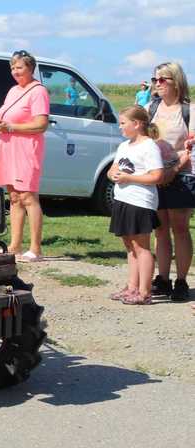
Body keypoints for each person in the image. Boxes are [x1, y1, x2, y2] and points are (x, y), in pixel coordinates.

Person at [0, 50, 50, 261]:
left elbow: (41, 124)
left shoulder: (38, 91)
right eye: (12, 67)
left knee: (28, 197)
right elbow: (8, 115)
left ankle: (35, 248)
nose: (15, 71)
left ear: (30, 68)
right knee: (14, 197)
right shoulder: (13, 90)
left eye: (19, 67)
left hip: (26, 148)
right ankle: (14, 246)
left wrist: (11, 127)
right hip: (8, 146)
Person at [147, 62, 195, 301]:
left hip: (182, 175)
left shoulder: (189, 110)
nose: (157, 84)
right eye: (155, 79)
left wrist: (174, 169)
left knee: (180, 228)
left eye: (162, 79)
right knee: (160, 229)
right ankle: (163, 279)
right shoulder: (151, 108)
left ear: (176, 81)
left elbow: (191, 148)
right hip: (156, 175)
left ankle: (182, 281)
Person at [107, 105, 164, 305]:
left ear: (137, 124)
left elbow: (157, 176)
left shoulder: (149, 146)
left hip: (140, 202)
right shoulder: (124, 146)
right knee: (130, 246)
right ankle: (132, 287)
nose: (120, 127)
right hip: (123, 199)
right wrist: (113, 174)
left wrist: (129, 177)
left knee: (141, 247)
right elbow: (113, 168)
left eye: (123, 123)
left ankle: (144, 292)